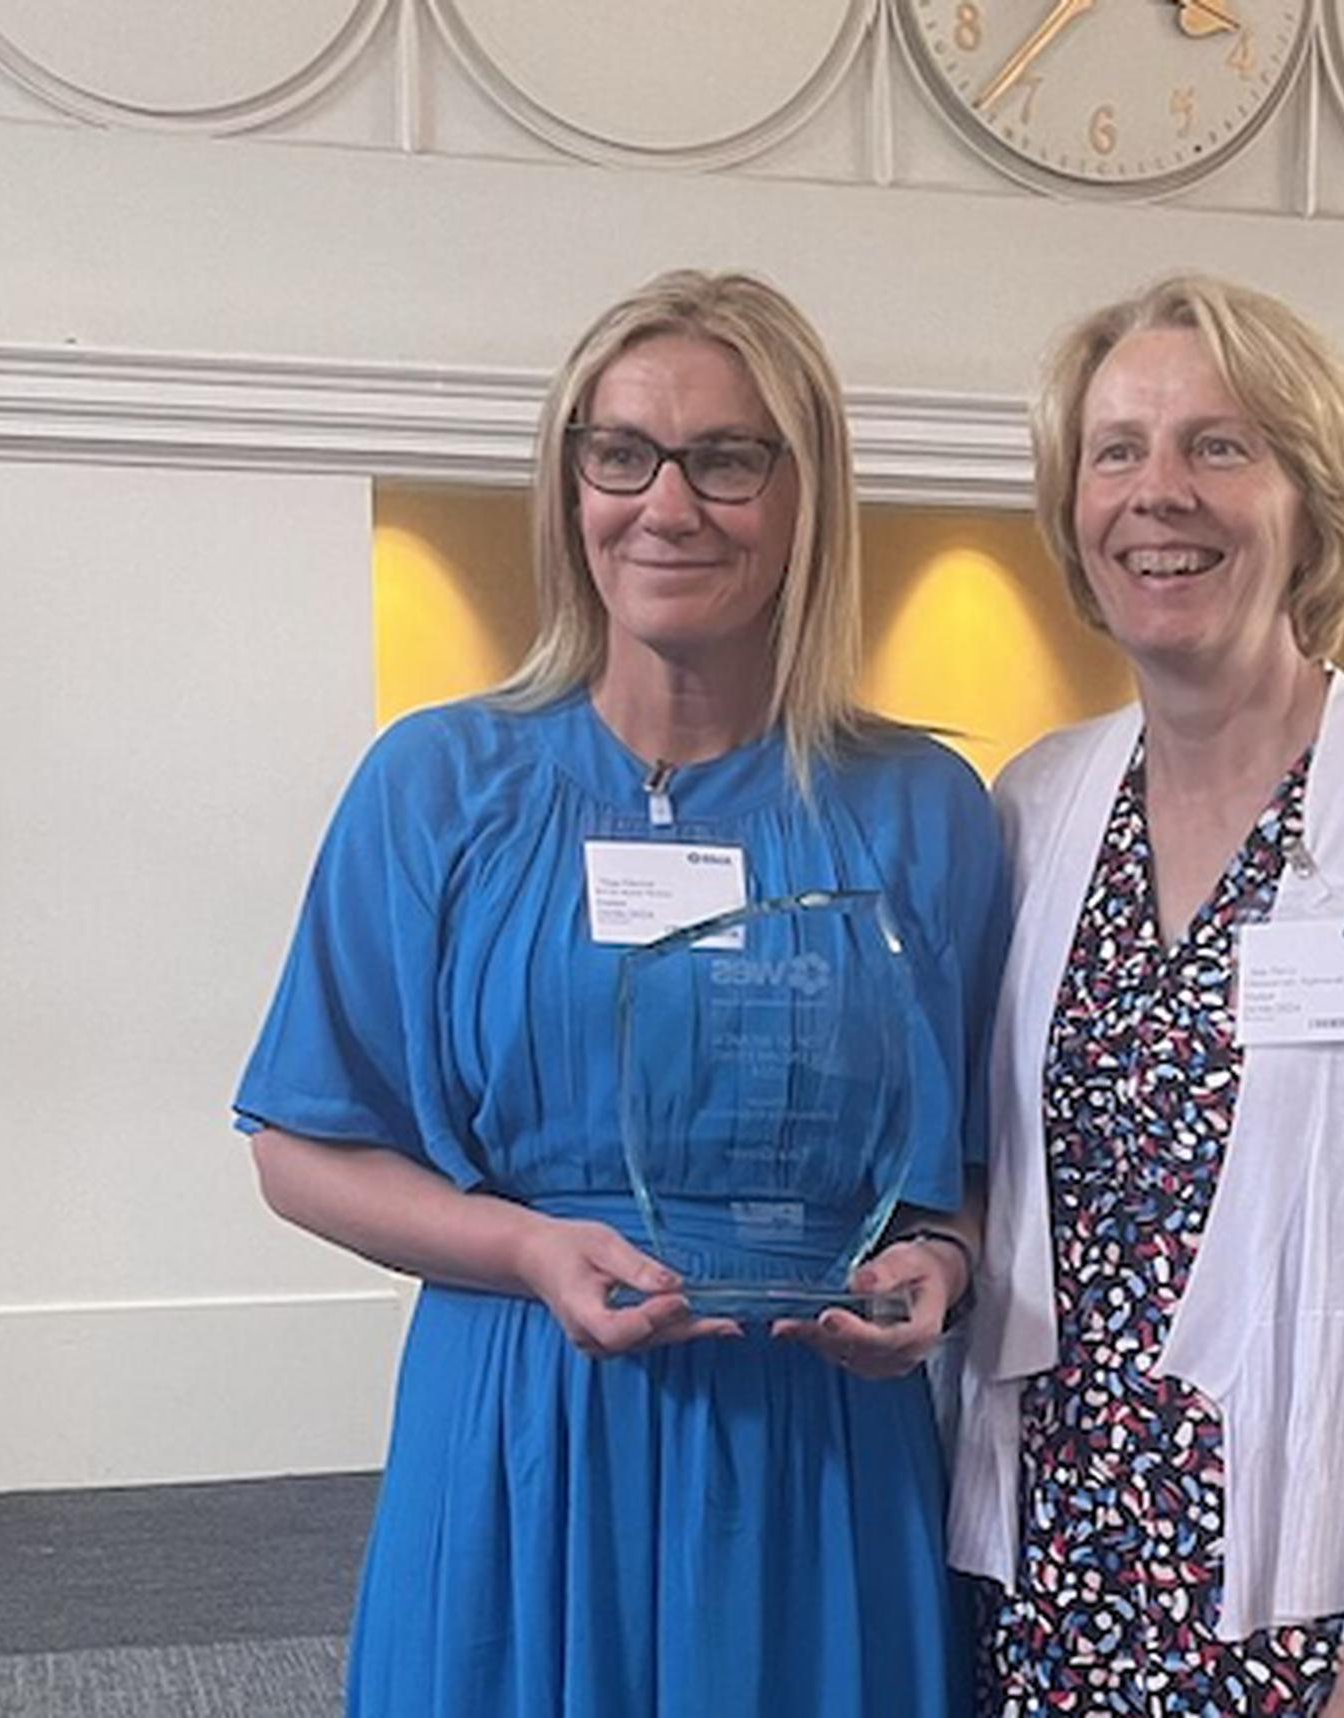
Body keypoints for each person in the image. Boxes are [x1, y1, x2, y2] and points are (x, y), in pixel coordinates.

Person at [235, 270, 1004, 1718]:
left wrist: (943, 1268)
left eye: (727, 457)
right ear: (570, 477)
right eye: (623, 452)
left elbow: (954, 1166)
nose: (668, 503)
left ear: (804, 493)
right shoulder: (436, 786)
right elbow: (299, 1144)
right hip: (526, 1418)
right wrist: (524, 1247)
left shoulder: (923, 812)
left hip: (815, 1444)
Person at [951, 275, 1344, 1718]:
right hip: (1037, 1585)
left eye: (1220, 446)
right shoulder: (1035, 803)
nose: (1159, 494)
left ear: (1310, 498)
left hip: (1293, 1606)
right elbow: (1004, 1185)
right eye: (1117, 451)